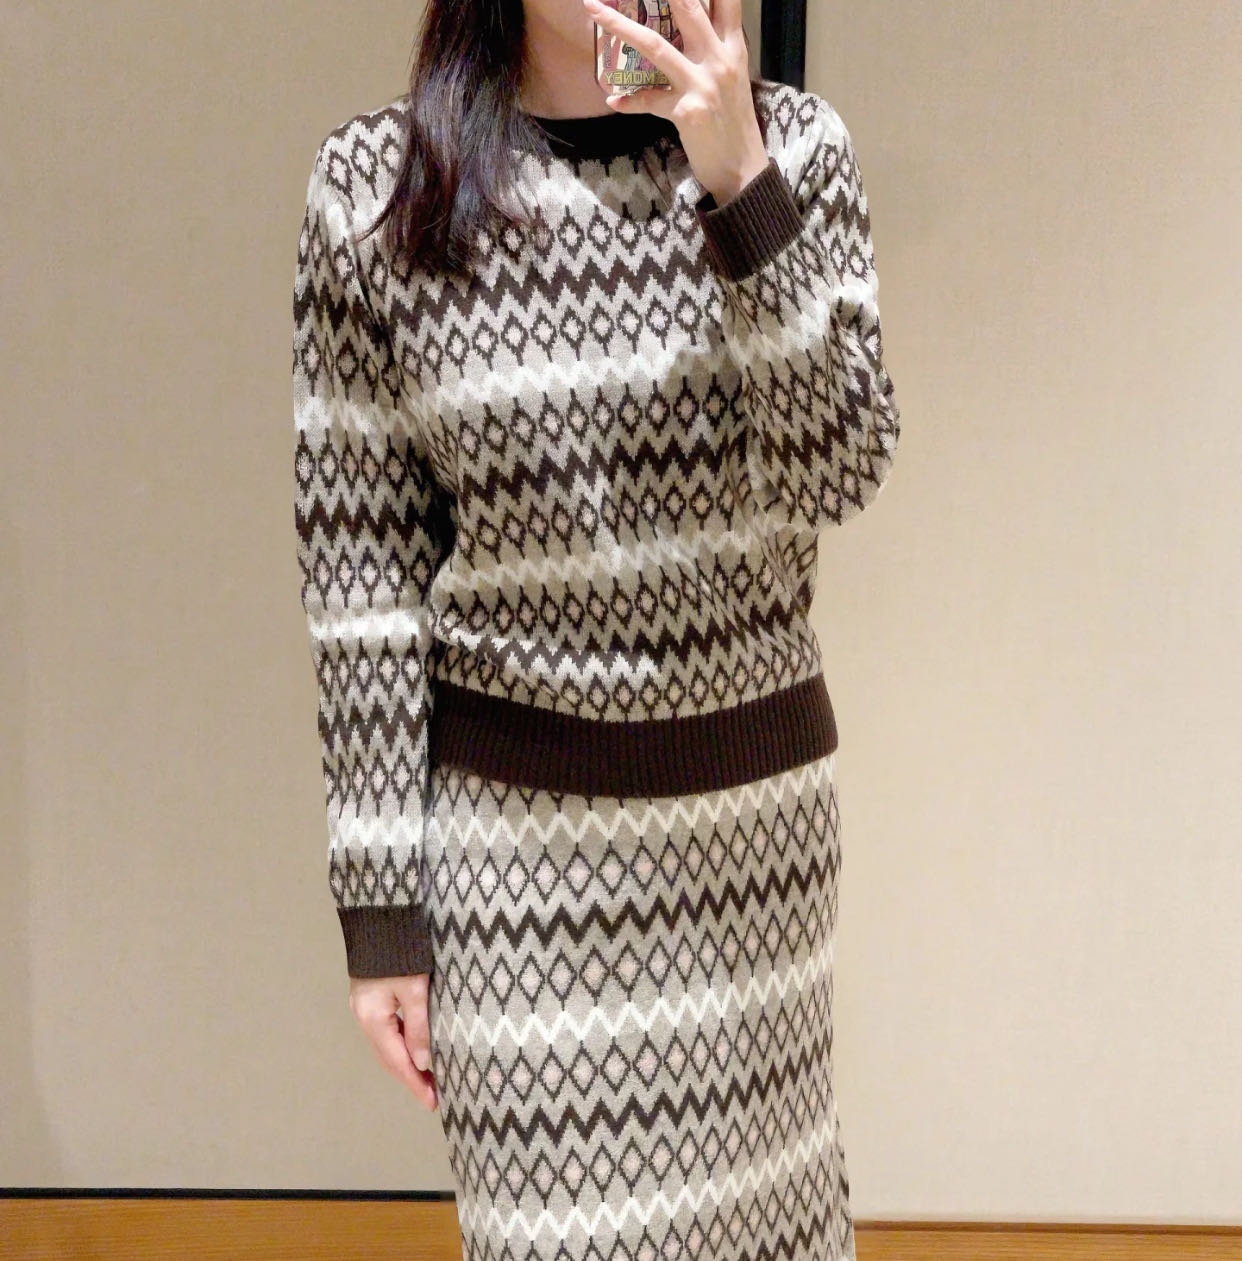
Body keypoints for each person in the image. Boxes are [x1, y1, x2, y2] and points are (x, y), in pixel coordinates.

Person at [291, 0, 900, 1257]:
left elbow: (838, 471)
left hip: (751, 855)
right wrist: (381, 906)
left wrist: (737, 181)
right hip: (519, 864)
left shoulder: (794, 150)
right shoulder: (376, 190)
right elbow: (362, 578)